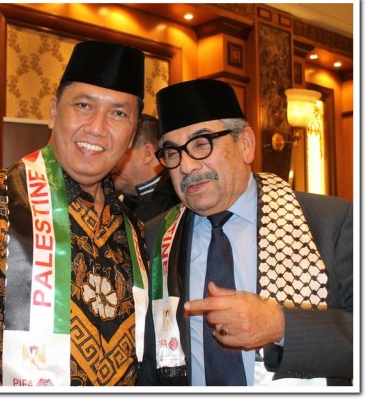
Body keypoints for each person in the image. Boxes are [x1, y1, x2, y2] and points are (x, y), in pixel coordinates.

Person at [0, 40, 158, 386]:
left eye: (119, 113)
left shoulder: (131, 228)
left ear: (133, 134)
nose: (97, 127)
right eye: (83, 105)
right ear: (53, 111)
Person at [145, 79, 353, 386]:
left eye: (201, 144)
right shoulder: (154, 237)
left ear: (245, 144)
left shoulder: (330, 222)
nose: (186, 166)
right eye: (172, 153)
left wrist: (281, 326)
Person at [111, 113, 179, 223]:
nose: (109, 162)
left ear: (147, 153)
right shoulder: (112, 203)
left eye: (120, 152)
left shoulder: (177, 204)